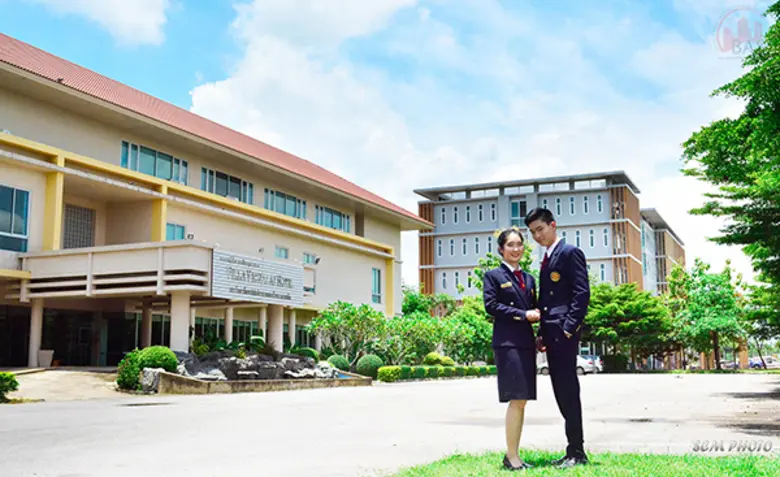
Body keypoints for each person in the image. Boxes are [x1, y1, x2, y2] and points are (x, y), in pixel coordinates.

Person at [524, 207, 590, 468]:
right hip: (551, 333)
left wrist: (568, 328)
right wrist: (542, 333)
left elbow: (581, 294)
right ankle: (571, 449)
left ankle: (578, 452)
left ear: (553, 225)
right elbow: (546, 302)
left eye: (540, 229)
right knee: (561, 391)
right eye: (532, 232)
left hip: (563, 333)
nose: (537, 236)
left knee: (568, 391)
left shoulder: (569, 253)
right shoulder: (548, 258)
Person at [483, 227, 540, 471]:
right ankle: (511, 456)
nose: (516, 249)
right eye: (510, 245)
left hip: (527, 344)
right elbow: (491, 306)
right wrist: (522, 314)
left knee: (522, 400)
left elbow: (536, 308)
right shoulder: (493, 276)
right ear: (501, 249)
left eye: (519, 244)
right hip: (507, 344)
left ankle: (513, 454)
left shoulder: (529, 279)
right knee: (516, 399)